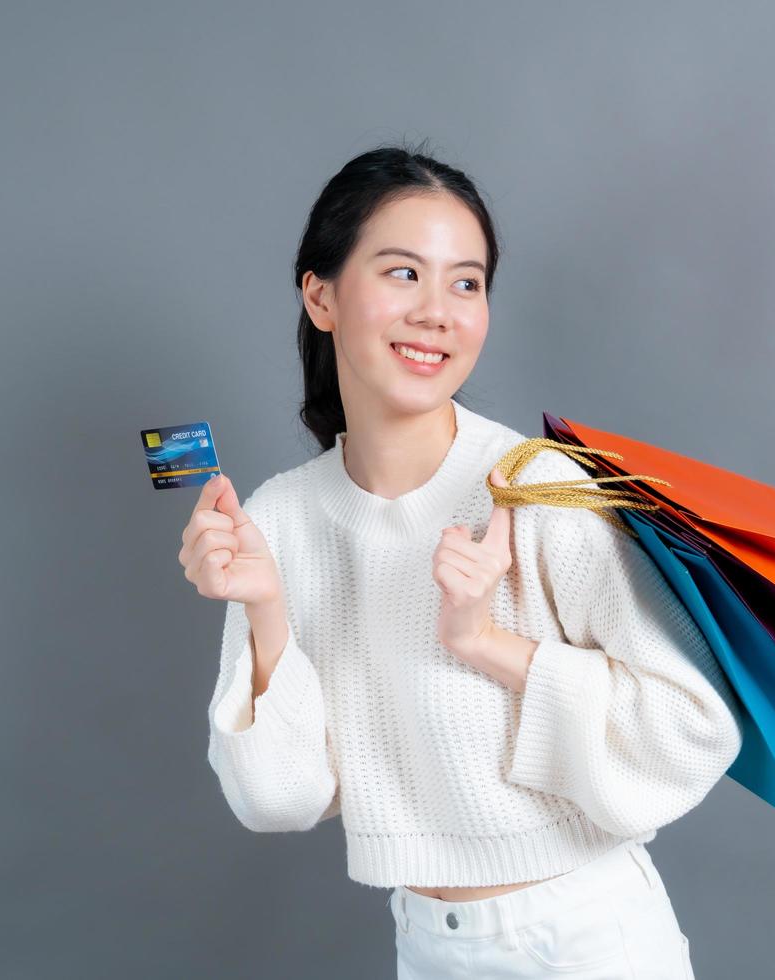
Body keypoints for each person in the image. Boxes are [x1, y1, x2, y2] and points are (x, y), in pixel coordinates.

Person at [180, 140, 742, 978]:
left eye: (466, 282)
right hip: (429, 947)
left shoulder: (535, 490)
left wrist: (487, 643)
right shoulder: (282, 521)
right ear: (321, 294)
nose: (438, 311)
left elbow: (694, 732)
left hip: (585, 938)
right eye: (403, 273)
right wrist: (267, 615)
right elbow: (279, 802)